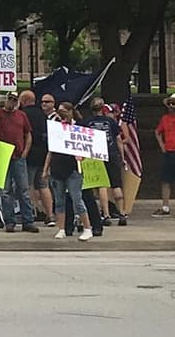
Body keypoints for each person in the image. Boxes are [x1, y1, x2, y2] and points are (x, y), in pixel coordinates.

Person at [42, 102, 92, 241]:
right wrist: (46, 169)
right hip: (57, 167)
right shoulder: (56, 128)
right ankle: (61, 228)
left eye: (64, 111)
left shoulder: (78, 127)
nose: (62, 114)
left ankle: (87, 228)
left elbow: (86, 146)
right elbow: (51, 150)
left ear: (71, 111)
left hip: (73, 168)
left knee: (77, 199)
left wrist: (82, 156)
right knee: (59, 201)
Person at [0, 91, 38, 233]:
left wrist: (25, 151)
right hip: (3, 156)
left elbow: (28, 134)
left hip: (19, 156)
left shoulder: (21, 115)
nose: (11, 102)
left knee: (23, 189)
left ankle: (28, 221)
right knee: (6, 191)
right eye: (10, 99)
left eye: (14, 99)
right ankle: (9, 221)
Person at [85, 97, 125, 225]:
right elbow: (118, 140)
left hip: (96, 155)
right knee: (116, 185)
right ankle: (122, 213)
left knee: (102, 185)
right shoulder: (110, 121)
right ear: (103, 108)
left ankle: (106, 215)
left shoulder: (87, 122)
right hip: (112, 154)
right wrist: (122, 157)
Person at [21, 89, 54, 223]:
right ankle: (50, 215)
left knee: (28, 185)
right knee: (43, 185)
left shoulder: (22, 114)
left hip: (29, 154)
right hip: (43, 154)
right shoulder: (43, 115)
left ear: (23, 101)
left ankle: (34, 211)